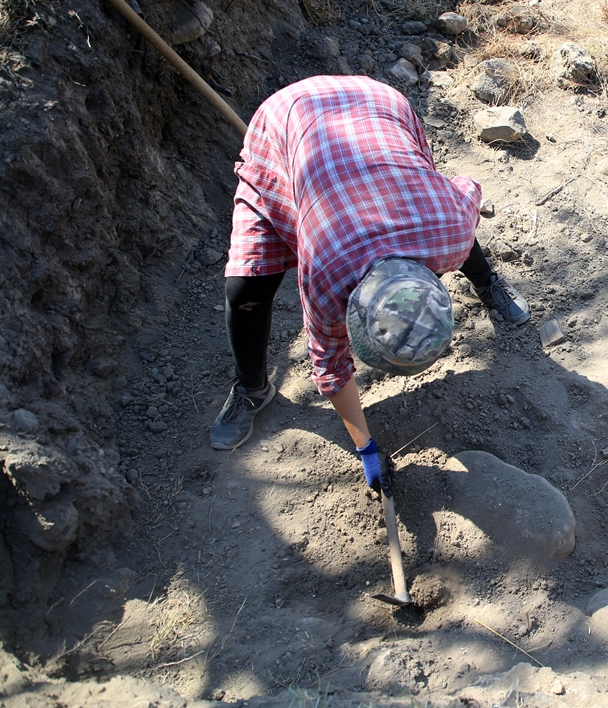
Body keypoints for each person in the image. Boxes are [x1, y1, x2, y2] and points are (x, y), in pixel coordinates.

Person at [209, 75, 530, 493]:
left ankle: (488, 285)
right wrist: (365, 446)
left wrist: (423, 191)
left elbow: (463, 191)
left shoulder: (450, 228)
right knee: (246, 288)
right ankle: (253, 388)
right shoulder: (327, 275)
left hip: (382, 110)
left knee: (450, 231)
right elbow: (328, 363)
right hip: (285, 123)